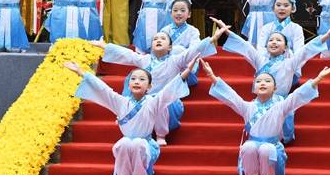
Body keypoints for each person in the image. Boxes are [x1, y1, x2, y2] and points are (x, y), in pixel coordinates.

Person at [64, 55, 199, 175]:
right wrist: (81, 72)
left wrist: (187, 71)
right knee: (123, 143)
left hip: (146, 145)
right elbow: (104, 90)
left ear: (150, 86)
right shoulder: (121, 102)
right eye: (133, 79)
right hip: (127, 142)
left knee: (138, 143)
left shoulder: (153, 102)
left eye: (142, 79)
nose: (136, 82)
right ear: (128, 84)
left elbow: (168, 90)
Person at [202, 58, 330, 175]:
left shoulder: (281, 106)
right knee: (248, 146)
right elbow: (231, 97)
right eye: (258, 81)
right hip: (253, 144)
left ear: (275, 88)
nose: (262, 83)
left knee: (267, 148)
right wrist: (213, 77)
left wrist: (317, 79)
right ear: (254, 88)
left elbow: (296, 96)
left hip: (272, 146)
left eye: (267, 81)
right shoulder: (247, 107)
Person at [93, 20, 230, 145]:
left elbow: (192, 51)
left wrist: (213, 39)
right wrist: (104, 46)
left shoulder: (175, 60)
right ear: (151, 46)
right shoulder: (144, 60)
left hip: (169, 103)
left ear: (170, 47)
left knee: (160, 100)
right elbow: (126, 54)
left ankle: (160, 135)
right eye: (155, 39)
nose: (158, 40)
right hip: (147, 103)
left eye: (163, 39)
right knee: (134, 82)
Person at [217, 16, 330, 141]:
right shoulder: (260, 60)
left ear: (286, 48)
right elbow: (246, 48)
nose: (274, 42)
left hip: (281, 102)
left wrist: (326, 35)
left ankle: (280, 140)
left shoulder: (290, 63)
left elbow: (306, 50)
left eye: (278, 40)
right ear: (266, 46)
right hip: (262, 99)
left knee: (286, 116)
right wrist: (227, 31)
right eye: (271, 40)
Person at [158, 0, 202, 85]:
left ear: (189, 14)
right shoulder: (165, 30)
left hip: (186, 64)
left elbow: (195, 50)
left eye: (182, 10)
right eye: (175, 10)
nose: (178, 13)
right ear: (171, 13)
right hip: (168, 65)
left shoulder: (193, 31)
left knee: (178, 50)